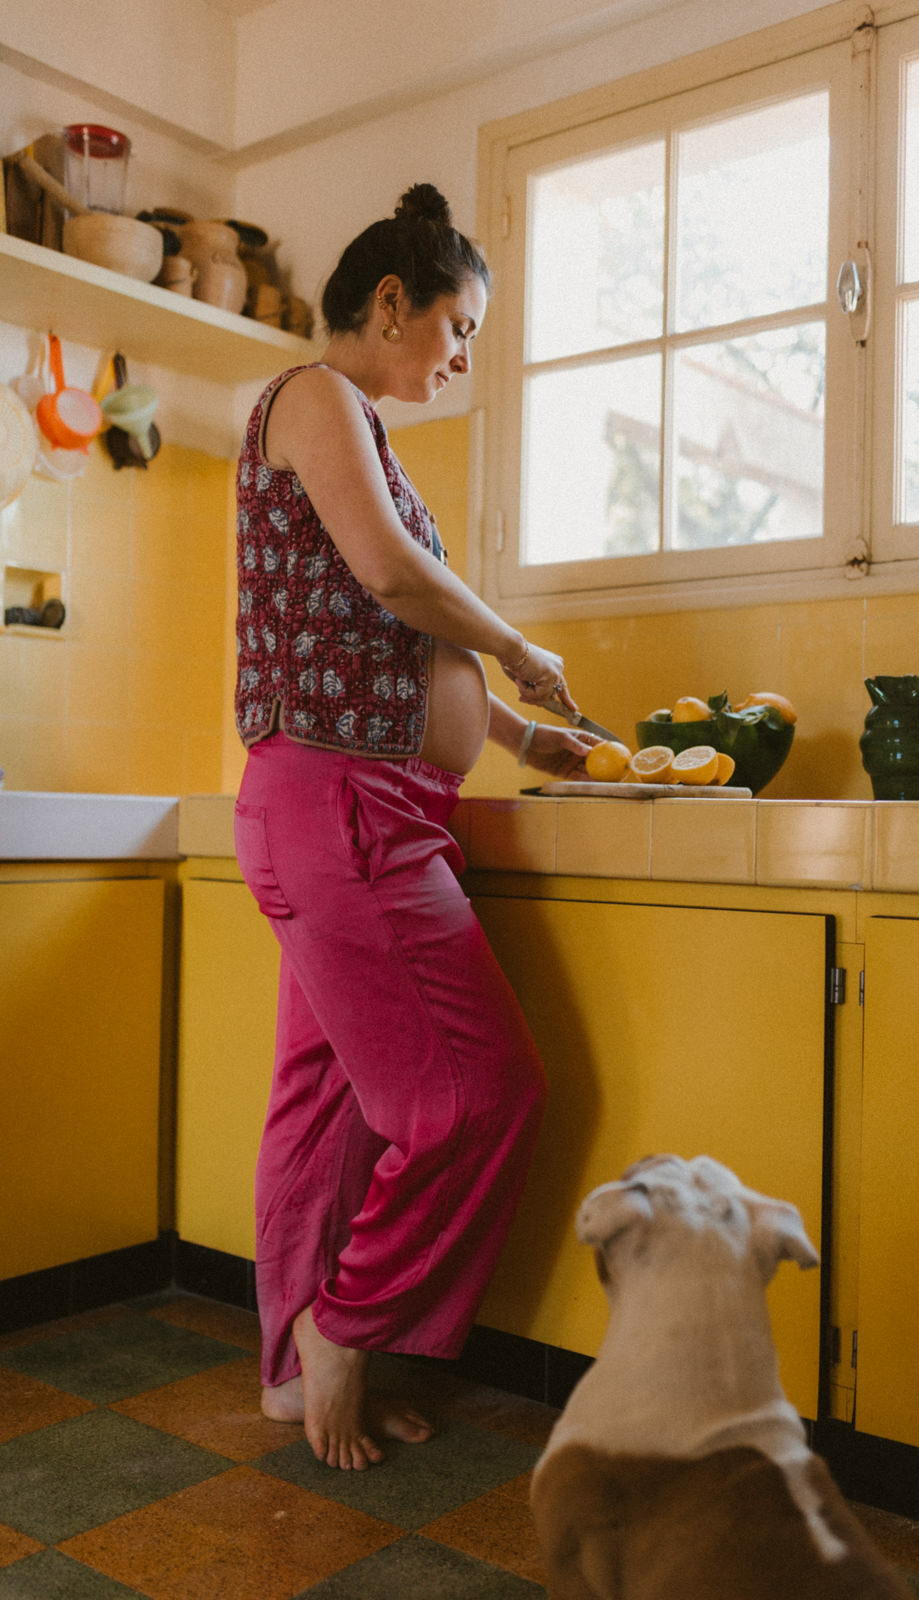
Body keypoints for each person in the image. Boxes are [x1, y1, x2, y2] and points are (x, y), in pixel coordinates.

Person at [232, 183, 595, 1473]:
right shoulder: (318, 397)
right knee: (478, 1092)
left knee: (329, 1107)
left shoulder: (354, 426)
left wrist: (516, 734)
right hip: (341, 804)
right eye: (461, 327)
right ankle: (345, 1328)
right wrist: (515, 641)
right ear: (393, 301)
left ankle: (296, 1366)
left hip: (347, 801)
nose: (463, 355)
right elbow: (396, 579)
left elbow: (389, 626)